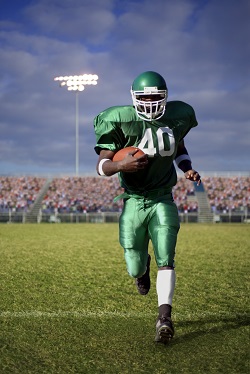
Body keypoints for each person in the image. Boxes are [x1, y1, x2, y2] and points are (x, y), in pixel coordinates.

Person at [93, 71, 201, 344]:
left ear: (165, 97)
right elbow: (102, 165)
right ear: (134, 99)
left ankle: (164, 318)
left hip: (163, 196)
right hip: (134, 200)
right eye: (145, 97)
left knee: (167, 255)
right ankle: (142, 270)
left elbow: (179, 147)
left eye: (156, 97)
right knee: (134, 265)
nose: (151, 102)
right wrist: (121, 165)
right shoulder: (121, 120)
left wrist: (187, 168)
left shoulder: (177, 116)